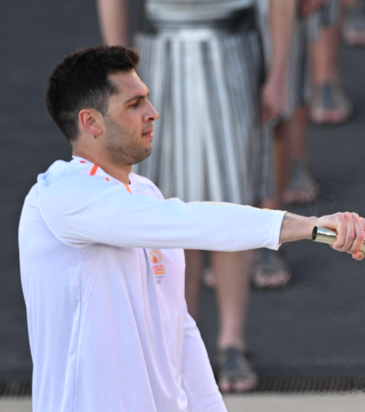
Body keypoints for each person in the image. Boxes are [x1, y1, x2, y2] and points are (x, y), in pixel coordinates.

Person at [19, 45, 365, 412]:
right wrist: (311, 226)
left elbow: (179, 324)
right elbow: (191, 221)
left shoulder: (144, 194)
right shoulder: (60, 198)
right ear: (90, 122)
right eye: (134, 103)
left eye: (147, 99)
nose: (152, 113)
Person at [97, 0, 297, 391]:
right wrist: (118, 75)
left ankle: (231, 342)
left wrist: (278, 73)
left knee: (232, 196)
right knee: (168, 206)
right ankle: (180, 346)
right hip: (159, 59)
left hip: (232, 54)